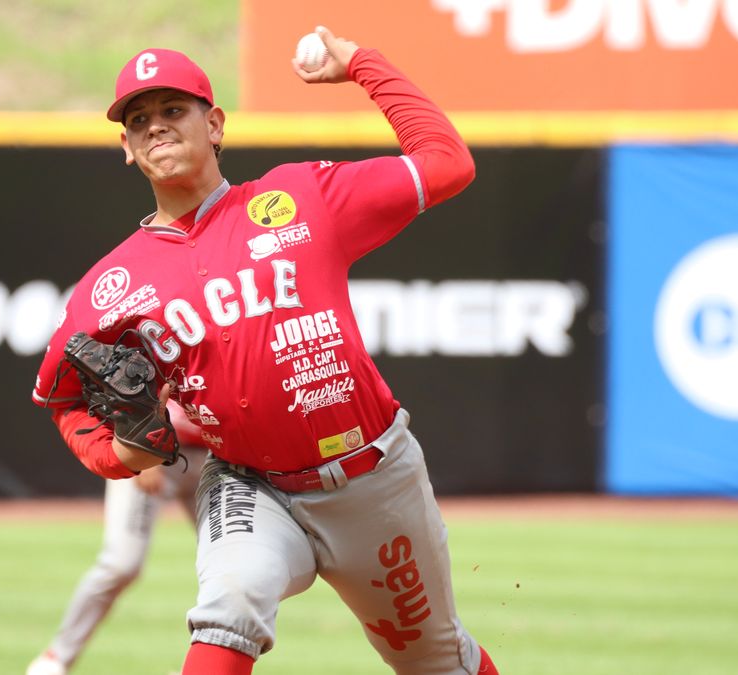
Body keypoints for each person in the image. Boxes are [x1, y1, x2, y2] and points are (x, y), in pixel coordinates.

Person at [32, 25, 499, 675]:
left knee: (437, 660)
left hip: (373, 480)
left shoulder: (304, 197)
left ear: (215, 123)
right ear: (127, 148)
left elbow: (449, 163)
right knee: (231, 602)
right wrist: (117, 453)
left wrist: (363, 65)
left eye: (173, 110)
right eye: (139, 119)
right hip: (250, 482)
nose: (156, 127)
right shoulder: (109, 286)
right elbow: (59, 396)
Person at [26, 404, 207, 675]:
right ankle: (56, 657)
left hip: (216, 456)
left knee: (229, 570)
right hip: (149, 447)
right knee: (122, 563)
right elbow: (129, 382)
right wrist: (141, 449)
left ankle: (201, 668)